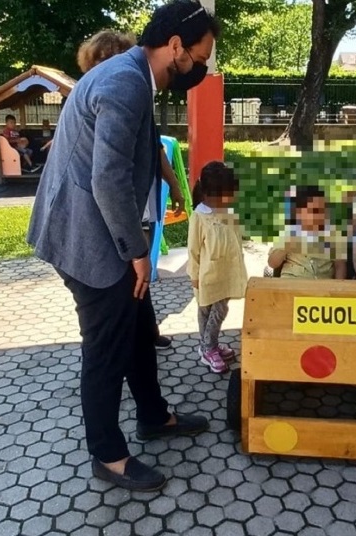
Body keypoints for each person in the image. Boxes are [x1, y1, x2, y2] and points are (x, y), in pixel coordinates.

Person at [27, 0, 219, 492]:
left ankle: (154, 416)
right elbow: (108, 178)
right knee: (106, 347)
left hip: (99, 227)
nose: (199, 68)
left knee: (137, 325)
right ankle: (107, 455)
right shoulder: (125, 82)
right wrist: (137, 252)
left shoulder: (134, 73)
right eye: (199, 58)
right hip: (86, 238)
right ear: (174, 45)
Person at [76, 29, 187, 350]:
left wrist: (175, 185)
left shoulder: (132, 90)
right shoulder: (107, 92)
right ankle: (123, 342)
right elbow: (106, 177)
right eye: (102, 62)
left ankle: (144, 332)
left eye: (116, 59)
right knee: (125, 285)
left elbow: (155, 150)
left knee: (139, 276)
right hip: (103, 217)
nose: (111, 68)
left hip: (135, 206)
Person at [187, 162, 247, 374]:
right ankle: (207, 348)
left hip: (227, 273)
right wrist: (194, 275)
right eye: (229, 194)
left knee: (218, 310)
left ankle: (209, 345)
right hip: (208, 276)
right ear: (215, 195)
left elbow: (235, 239)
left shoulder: (228, 212)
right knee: (207, 311)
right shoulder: (200, 217)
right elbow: (193, 250)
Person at [268, 185, 348, 280]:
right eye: (314, 211)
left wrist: (337, 289)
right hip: (292, 283)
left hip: (323, 286)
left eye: (323, 210)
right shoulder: (289, 231)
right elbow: (272, 263)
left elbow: (340, 266)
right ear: (299, 213)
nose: (320, 216)